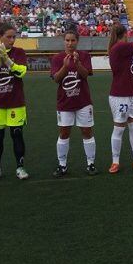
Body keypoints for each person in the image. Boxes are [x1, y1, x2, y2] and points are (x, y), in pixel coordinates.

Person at [0, 23, 30, 181]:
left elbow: (21, 72)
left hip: (16, 102)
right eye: (9, 37)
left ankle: (20, 168)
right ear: (0, 37)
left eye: (14, 36)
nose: (12, 40)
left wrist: (8, 61)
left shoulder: (20, 52)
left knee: (17, 134)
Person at [51, 30, 97, 177]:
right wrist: (65, 67)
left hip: (83, 101)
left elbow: (85, 75)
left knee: (87, 132)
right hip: (64, 103)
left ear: (77, 41)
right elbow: (57, 79)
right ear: (63, 41)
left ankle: (90, 164)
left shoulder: (84, 56)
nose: (70, 43)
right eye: (67, 40)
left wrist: (77, 63)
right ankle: (62, 165)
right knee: (64, 133)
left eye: (73, 40)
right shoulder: (58, 58)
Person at [108, 17, 133, 173]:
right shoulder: (119, 47)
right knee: (119, 128)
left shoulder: (122, 48)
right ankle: (115, 161)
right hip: (120, 95)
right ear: (124, 35)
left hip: (132, 93)